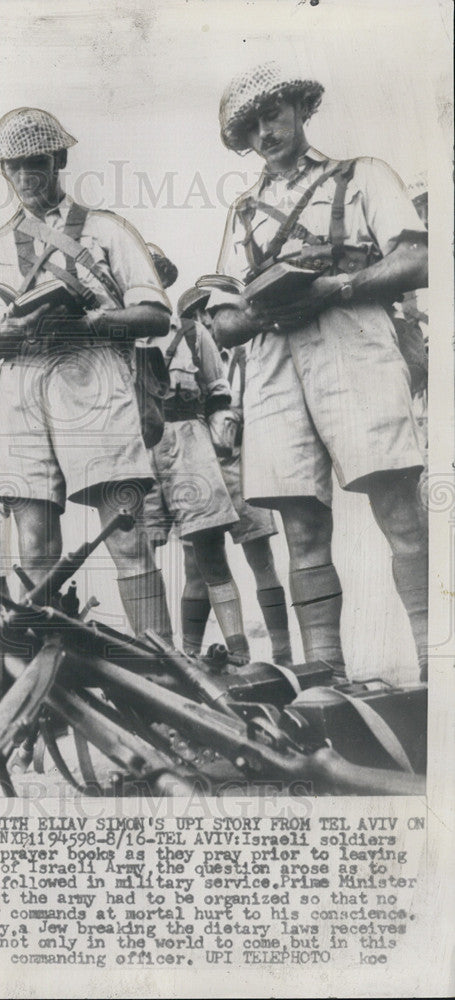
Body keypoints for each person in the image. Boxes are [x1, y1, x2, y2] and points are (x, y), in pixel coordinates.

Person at [210, 62, 428, 680]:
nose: (265, 132)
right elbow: (223, 322)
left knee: (397, 505)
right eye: (249, 127)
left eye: (274, 113)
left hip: (353, 341)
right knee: (300, 523)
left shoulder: (362, 176)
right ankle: (323, 674)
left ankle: (438, 663)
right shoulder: (243, 212)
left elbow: (419, 256)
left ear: (302, 107)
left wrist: (338, 285)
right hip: (276, 359)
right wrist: (265, 307)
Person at [0, 108, 172, 640]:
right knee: (34, 546)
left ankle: (164, 669)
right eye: (14, 167)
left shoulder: (105, 229)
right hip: (20, 385)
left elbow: (155, 314)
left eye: (36, 162)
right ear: (4, 174)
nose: (26, 176)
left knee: (125, 532)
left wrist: (97, 318)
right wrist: (11, 331)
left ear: (58, 160)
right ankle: (49, 681)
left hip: (92, 371)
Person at [141, 250, 251, 661]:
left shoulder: (189, 333)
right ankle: (161, 661)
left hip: (188, 442)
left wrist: (222, 438)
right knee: (139, 554)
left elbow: (218, 392)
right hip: (136, 450)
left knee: (209, 554)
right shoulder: (112, 338)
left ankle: (239, 655)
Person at [180, 275, 293, 665]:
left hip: (241, 466)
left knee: (261, 561)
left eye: (211, 314)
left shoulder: (250, 354)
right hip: (197, 468)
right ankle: (196, 657)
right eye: (201, 317)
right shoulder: (190, 355)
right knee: (199, 568)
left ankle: (283, 655)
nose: (208, 324)